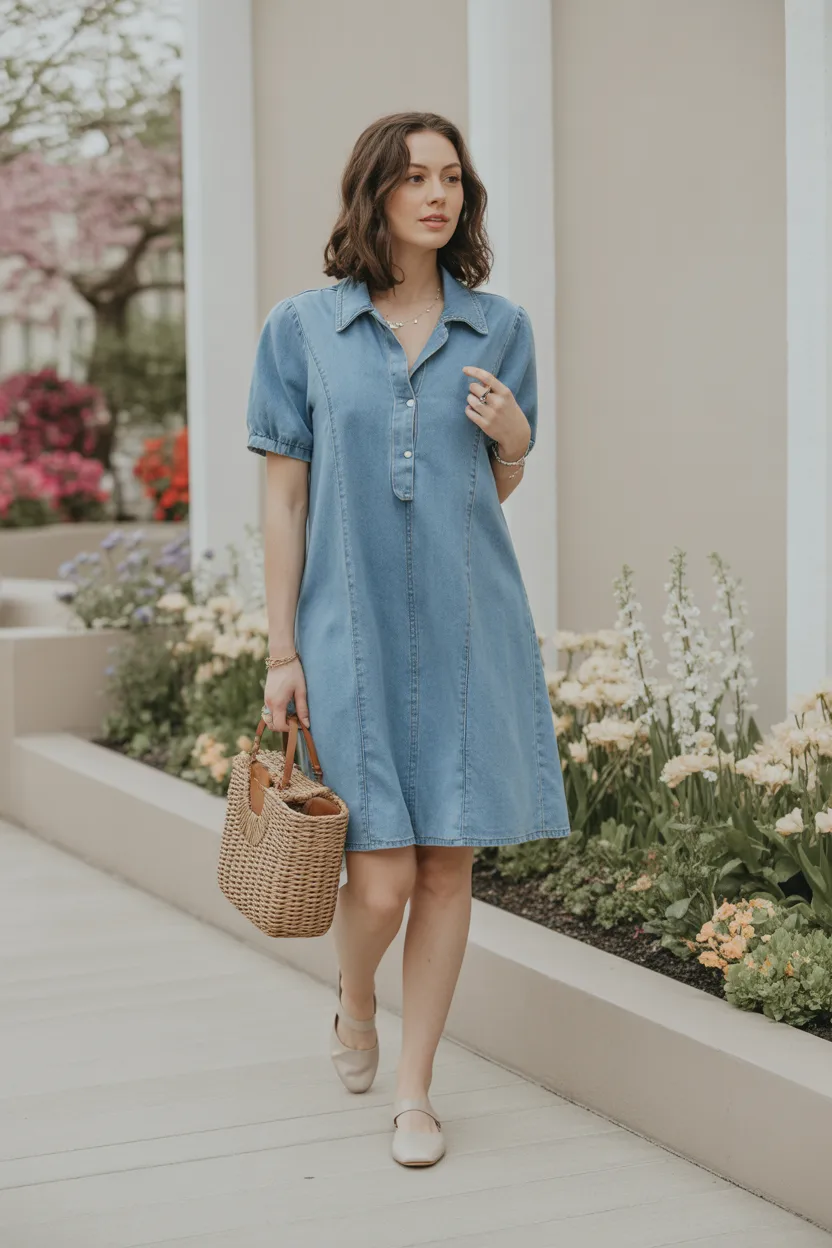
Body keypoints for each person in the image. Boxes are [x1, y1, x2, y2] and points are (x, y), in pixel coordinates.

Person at [246, 111, 571, 1168]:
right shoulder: (301, 329)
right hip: (348, 636)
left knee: (445, 871)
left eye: (453, 179)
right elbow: (284, 500)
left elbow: (492, 486)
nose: (439, 195)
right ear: (374, 193)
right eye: (415, 177)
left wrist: (516, 444)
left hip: (469, 625)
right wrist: (281, 649)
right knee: (378, 879)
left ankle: (417, 1093)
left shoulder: (500, 329)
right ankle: (353, 1002)